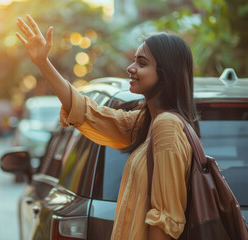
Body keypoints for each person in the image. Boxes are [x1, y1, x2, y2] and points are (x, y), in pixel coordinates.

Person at [16, 14, 200, 240]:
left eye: (142, 63)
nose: (131, 68)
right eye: (134, 60)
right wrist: (42, 63)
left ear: (166, 74)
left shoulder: (167, 127)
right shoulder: (147, 122)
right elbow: (86, 112)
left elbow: (165, 220)